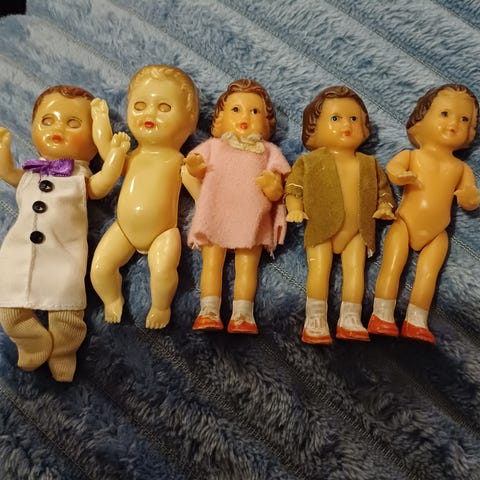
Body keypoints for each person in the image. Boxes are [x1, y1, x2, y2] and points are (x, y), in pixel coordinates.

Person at [0, 85, 129, 381]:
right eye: (47, 120)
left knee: (67, 314)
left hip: (64, 254)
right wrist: (3, 150)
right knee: (9, 309)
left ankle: (63, 351)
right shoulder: (29, 173)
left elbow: (102, 185)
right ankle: (31, 341)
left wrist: (116, 156)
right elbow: (7, 173)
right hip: (17, 254)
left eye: (73, 123)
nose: (57, 128)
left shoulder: (79, 177)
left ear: (93, 140)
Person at [368, 84, 479, 344]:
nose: (454, 123)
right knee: (393, 266)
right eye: (445, 114)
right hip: (404, 223)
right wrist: (400, 175)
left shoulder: (461, 168)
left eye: (464, 119)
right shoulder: (412, 155)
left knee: (428, 274)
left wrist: (469, 197)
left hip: (438, 233)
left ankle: (416, 320)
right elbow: (393, 168)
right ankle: (381, 315)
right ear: (421, 118)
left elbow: (471, 196)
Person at [90, 65, 199, 329]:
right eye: (140, 106)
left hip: (163, 232)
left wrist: (193, 176)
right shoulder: (131, 156)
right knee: (100, 269)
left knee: (162, 272)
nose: (150, 114)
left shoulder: (178, 160)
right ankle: (112, 299)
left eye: (164, 108)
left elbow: (202, 197)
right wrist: (100, 120)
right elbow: (106, 151)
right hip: (124, 229)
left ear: (189, 121)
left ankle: (161, 307)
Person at [285, 86, 395, 344]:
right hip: (321, 228)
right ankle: (315, 319)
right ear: (314, 128)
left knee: (356, 272)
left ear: (365, 127)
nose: (346, 125)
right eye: (335, 118)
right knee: (319, 270)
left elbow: (383, 191)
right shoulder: (310, 161)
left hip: (358, 231)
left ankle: (350, 317)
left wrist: (386, 207)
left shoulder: (369, 164)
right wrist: (295, 208)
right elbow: (293, 188)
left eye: (354, 118)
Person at [184, 78, 291, 334]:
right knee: (212, 263)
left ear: (267, 122)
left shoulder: (268, 151)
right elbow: (194, 167)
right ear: (219, 119)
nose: (245, 117)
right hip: (216, 213)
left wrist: (273, 187)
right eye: (236, 109)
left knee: (247, 265)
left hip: (251, 218)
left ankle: (243, 314)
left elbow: (280, 191)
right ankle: (209, 310)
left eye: (254, 111)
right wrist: (195, 167)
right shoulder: (213, 146)